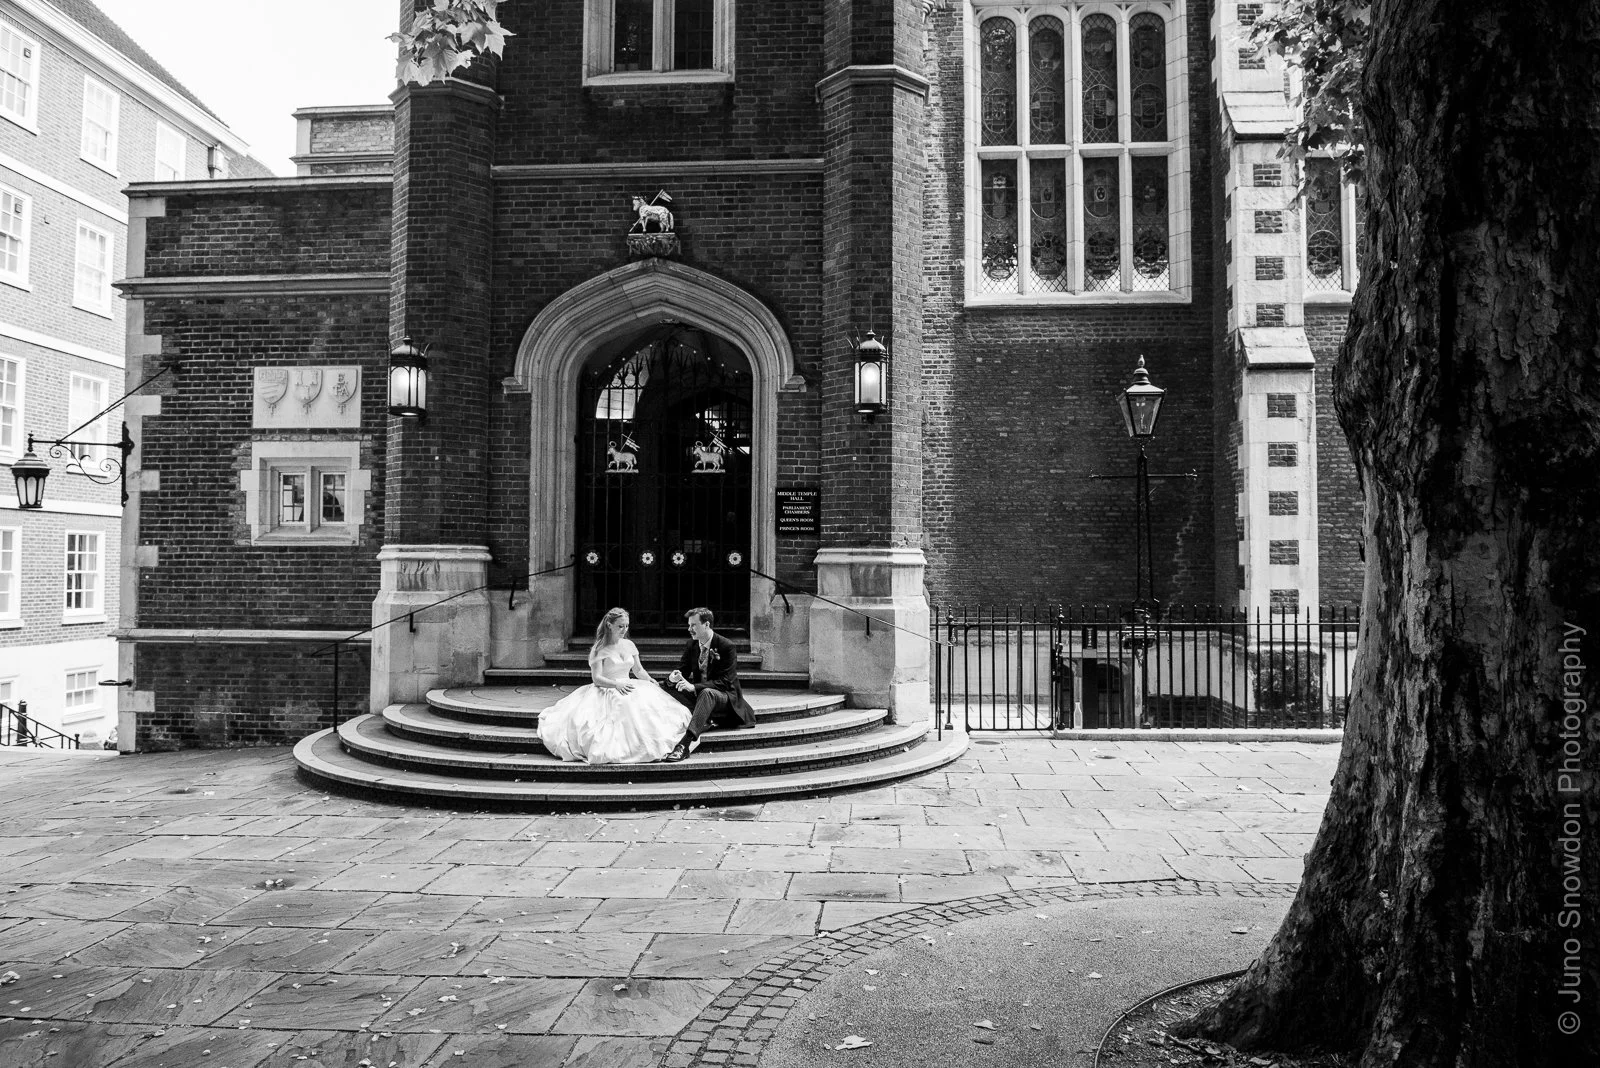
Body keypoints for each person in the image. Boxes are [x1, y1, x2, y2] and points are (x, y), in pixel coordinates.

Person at [536, 607, 692, 764]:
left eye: (626, 626)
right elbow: (596, 678)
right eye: (620, 626)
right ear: (609, 625)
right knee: (622, 706)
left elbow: (638, 670)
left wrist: (650, 680)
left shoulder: (629, 645)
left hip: (630, 684)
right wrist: (616, 685)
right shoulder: (599, 648)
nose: (624, 630)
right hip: (607, 687)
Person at [661, 606, 756, 762]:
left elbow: (725, 682)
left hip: (725, 697)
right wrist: (673, 677)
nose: (689, 629)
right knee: (663, 686)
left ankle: (684, 745)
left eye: (693, 625)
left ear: (706, 625)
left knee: (706, 693)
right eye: (689, 625)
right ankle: (702, 719)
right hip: (701, 694)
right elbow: (683, 669)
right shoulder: (692, 645)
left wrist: (693, 687)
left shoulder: (726, 646)